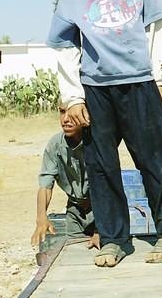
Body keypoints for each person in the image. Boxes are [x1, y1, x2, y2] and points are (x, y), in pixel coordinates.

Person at [46, 0, 162, 267]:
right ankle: (114, 239)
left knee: (156, 160)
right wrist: (73, 96)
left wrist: (161, 77)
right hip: (96, 89)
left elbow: (157, 27)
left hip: (139, 84)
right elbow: (63, 45)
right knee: (102, 166)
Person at [31, 104, 99, 250]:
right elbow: (45, 185)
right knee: (75, 253)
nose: (65, 119)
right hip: (74, 210)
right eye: (62, 112)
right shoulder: (55, 144)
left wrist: (101, 229)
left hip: (101, 209)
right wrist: (41, 217)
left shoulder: (97, 141)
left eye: (71, 113)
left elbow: (108, 186)